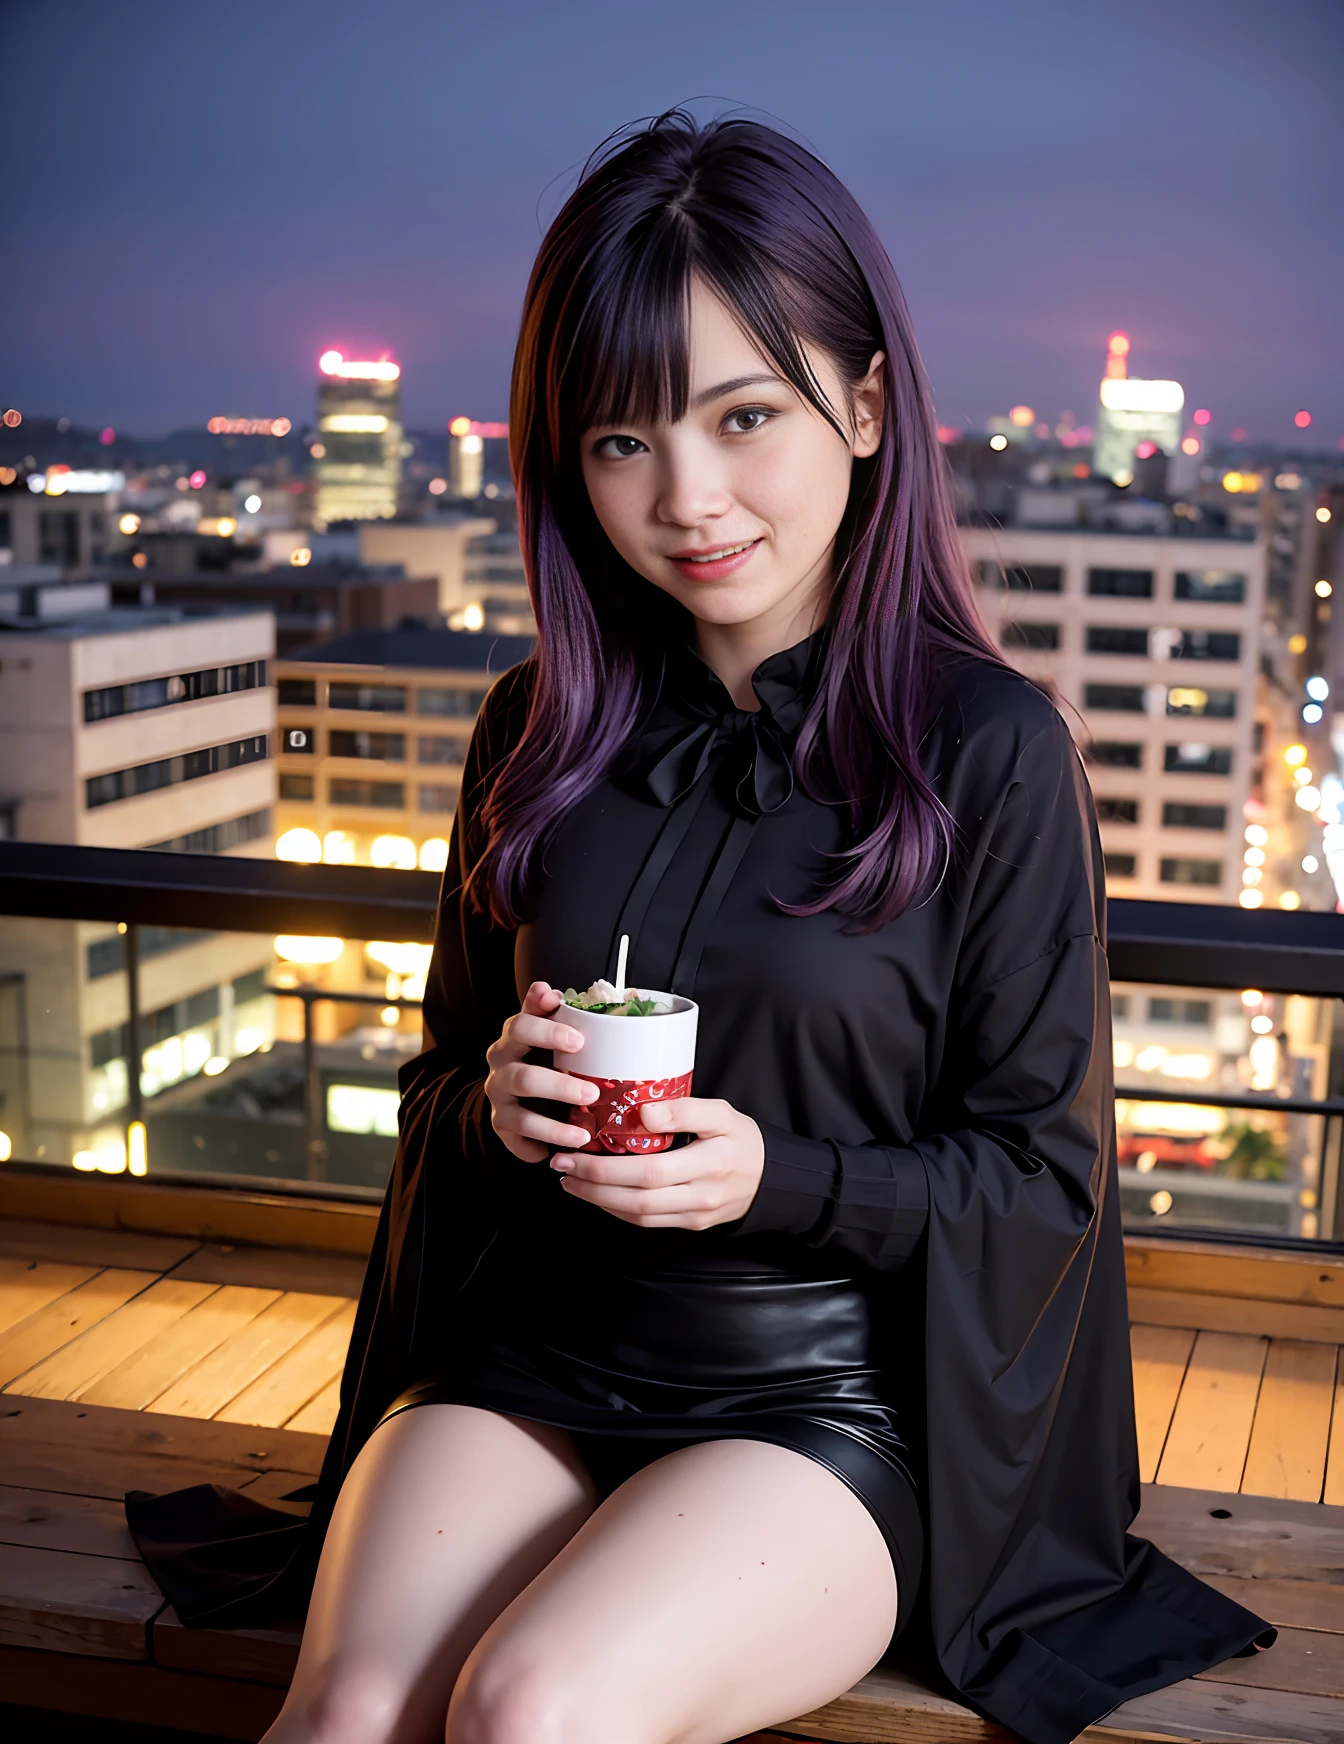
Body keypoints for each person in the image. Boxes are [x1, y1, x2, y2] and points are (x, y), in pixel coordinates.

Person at [128, 111, 1274, 1744]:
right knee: (349, 1709)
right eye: (618, 443)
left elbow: (1044, 1182)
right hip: (529, 1353)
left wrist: (774, 1176)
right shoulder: (537, 721)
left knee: (534, 1707)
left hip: (818, 1403)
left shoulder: (989, 746)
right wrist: (496, 1114)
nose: (689, 499)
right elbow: (440, 1081)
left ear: (867, 406)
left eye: (747, 417)